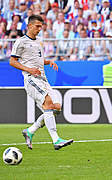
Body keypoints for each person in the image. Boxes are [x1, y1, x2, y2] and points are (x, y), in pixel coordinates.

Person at [9, 15, 73, 150]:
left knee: (56, 107)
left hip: (43, 79)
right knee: (48, 104)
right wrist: (29, 70)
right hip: (31, 79)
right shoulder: (21, 42)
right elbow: (12, 61)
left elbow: (36, 59)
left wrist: (48, 61)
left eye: (41, 26)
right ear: (29, 25)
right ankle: (56, 140)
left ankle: (30, 130)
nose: (40, 29)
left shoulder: (39, 41)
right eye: (37, 26)